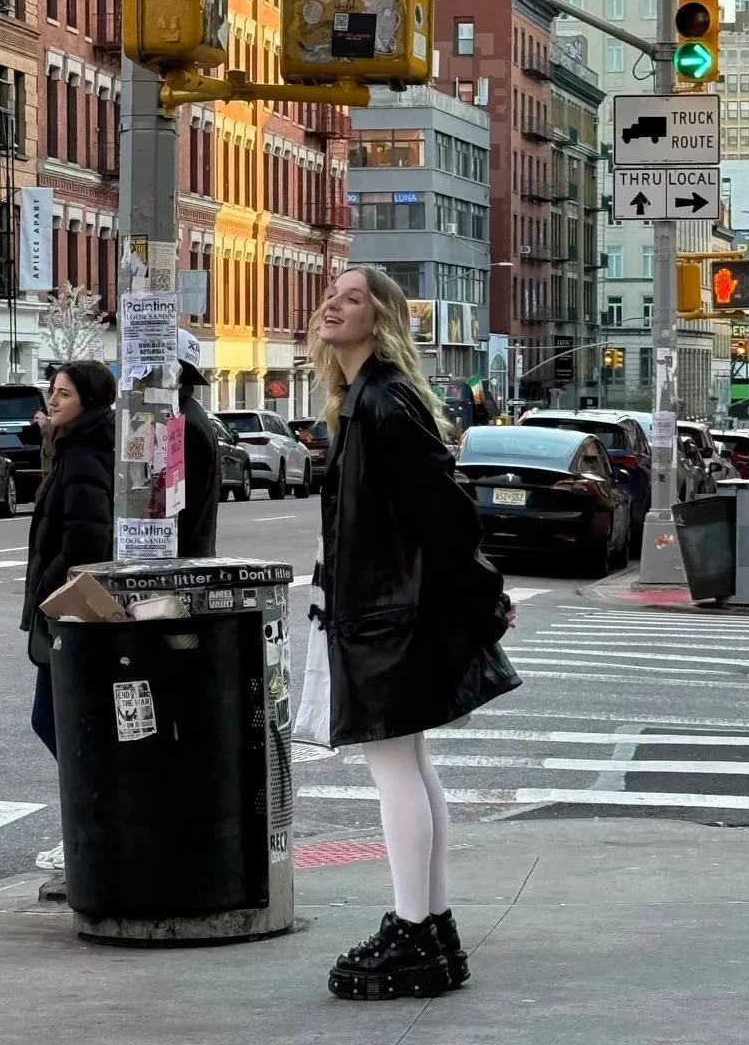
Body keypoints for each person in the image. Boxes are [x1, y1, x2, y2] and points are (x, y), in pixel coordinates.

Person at [294, 266, 521, 1002]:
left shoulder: (383, 402)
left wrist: (485, 595)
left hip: (389, 617)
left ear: (381, 319)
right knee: (411, 766)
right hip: (386, 611)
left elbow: (445, 513)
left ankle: (415, 929)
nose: (333, 304)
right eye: (332, 295)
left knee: (396, 769)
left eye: (352, 298)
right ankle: (432, 925)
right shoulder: (367, 398)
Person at [21, 361, 116, 758]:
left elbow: (87, 539)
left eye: (64, 394)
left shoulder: (83, 454)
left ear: (88, 400)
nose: (53, 401)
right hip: (71, 606)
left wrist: (48, 589)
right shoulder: (75, 444)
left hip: (71, 608)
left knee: (54, 718)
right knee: (65, 718)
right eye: (52, 392)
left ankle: (98, 791)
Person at [176, 327, 220, 556]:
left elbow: (181, 504)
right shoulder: (190, 413)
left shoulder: (185, 424)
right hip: (190, 555)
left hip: (183, 558)